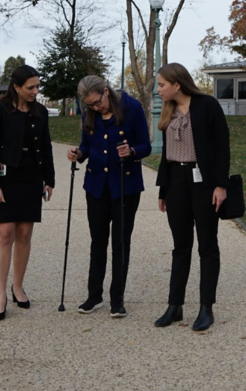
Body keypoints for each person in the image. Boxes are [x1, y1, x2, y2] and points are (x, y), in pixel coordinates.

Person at [154, 63, 230, 332]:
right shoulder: (168, 111)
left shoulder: (207, 105)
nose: (158, 89)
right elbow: (165, 156)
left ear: (177, 84)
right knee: (180, 246)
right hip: (176, 183)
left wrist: (220, 186)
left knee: (207, 246)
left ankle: (206, 307)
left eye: (162, 84)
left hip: (204, 184)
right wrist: (163, 190)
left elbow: (222, 147)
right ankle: (175, 306)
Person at [67, 75, 151, 318]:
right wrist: (78, 152)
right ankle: (94, 296)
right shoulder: (89, 113)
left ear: (106, 91)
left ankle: (118, 299)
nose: (94, 108)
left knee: (121, 242)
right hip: (96, 186)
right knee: (98, 241)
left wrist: (132, 151)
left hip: (126, 185)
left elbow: (145, 145)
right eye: (89, 105)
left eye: (97, 102)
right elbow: (87, 145)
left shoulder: (131, 107)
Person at [0, 65, 55, 321]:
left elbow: (45, 147)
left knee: (24, 234)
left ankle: (18, 287)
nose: (36, 91)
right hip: (5, 178)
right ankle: (0, 294)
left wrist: (49, 180)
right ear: (16, 87)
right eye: (30, 87)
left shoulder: (40, 112)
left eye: (37, 86)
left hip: (31, 178)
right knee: (4, 235)